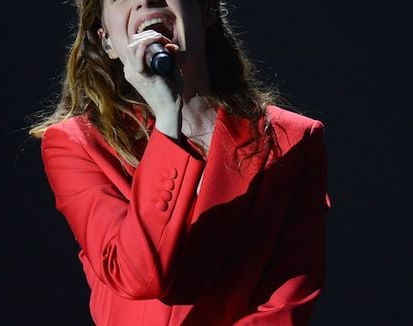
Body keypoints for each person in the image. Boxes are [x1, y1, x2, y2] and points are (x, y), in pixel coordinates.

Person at [29, 0, 330, 324]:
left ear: (208, 10)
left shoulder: (292, 140)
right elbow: (140, 276)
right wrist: (167, 122)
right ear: (106, 41)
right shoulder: (76, 144)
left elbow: (284, 305)